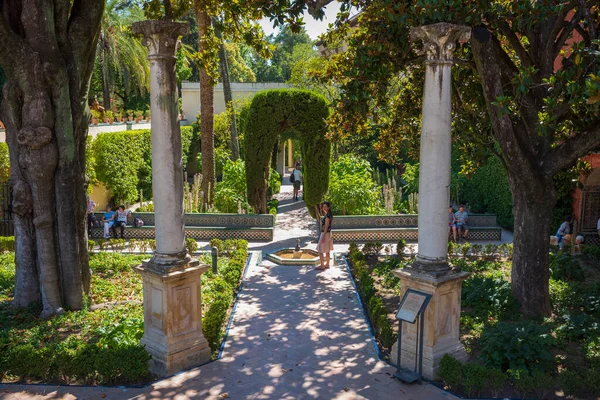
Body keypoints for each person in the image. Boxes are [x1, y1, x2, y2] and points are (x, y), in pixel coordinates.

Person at [317, 202, 333, 270]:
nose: (324, 208)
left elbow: (326, 227)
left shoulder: (327, 217)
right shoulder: (329, 214)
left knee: (320, 249)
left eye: (325, 206)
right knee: (327, 250)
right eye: (323, 206)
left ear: (328, 207)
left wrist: (323, 237)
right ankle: (327, 264)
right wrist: (323, 209)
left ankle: (322, 265)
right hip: (328, 234)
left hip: (325, 234)